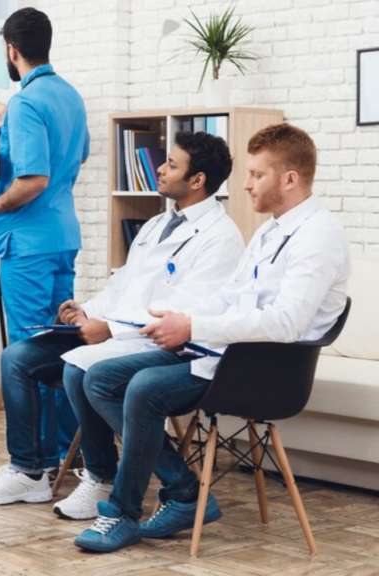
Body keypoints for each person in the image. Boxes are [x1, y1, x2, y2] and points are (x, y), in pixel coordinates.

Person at [71, 123, 350, 553]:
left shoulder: (319, 236)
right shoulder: (270, 230)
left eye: (257, 175)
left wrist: (194, 328)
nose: (245, 183)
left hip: (265, 372)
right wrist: (182, 319)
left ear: (290, 179)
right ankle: (184, 491)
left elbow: (285, 323)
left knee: (144, 387)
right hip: (223, 355)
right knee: (100, 378)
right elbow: (229, 296)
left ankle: (122, 514)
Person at [0, 131, 245, 511]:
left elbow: (182, 308)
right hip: (115, 331)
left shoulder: (221, 237)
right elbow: (122, 285)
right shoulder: (155, 225)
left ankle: (101, 477)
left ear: (198, 180)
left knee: (79, 370)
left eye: (172, 164)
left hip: (157, 343)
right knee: (17, 358)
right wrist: (87, 312)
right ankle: (28, 471)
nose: (160, 169)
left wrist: (110, 329)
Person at [0, 7, 89, 478]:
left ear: (11, 49)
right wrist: (13, 121)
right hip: (62, 235)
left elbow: (33, 179)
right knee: (62, 346)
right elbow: (76, 155)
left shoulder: (27, 102)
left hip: (27, 242)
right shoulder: (68, 95)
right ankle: (69, 452)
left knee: (28, 352)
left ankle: (34, 465)